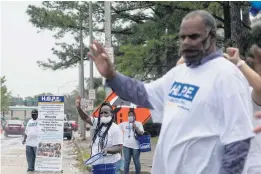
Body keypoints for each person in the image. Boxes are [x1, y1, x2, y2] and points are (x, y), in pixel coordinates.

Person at [87, 10, 255, 174]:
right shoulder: (179, 73)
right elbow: (142, 93)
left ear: (212, 37)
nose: (187, 42)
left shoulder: (227, 75)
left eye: (194, 36)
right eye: (182, 37)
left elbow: (239, 141)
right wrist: (112, 75)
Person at [225, 44, 261, 174]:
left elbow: (260, 87)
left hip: (255, 167)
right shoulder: (218, 99)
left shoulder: (251, 93)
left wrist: (238, 62)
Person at [75, 96, 123, 173]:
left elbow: (119, 148)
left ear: (112, 114)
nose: (103, 114)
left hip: (111, 165)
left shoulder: (116, 129)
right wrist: (78, 108)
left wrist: (108, 150)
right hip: (97, 164)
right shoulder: (98, 122)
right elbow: (85, 117)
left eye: (106, 112)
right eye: (101, 113)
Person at [119, 109, 144, 174]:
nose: (130, 116)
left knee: (136, 161)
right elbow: (116, 128)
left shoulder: (139, 123)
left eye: (131, 115)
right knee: (126, 161)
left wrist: (135, 127)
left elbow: (141, 133)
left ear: (134, 116)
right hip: (126, 145)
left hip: (136, 146)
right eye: (129, 115)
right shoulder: (124, 124)